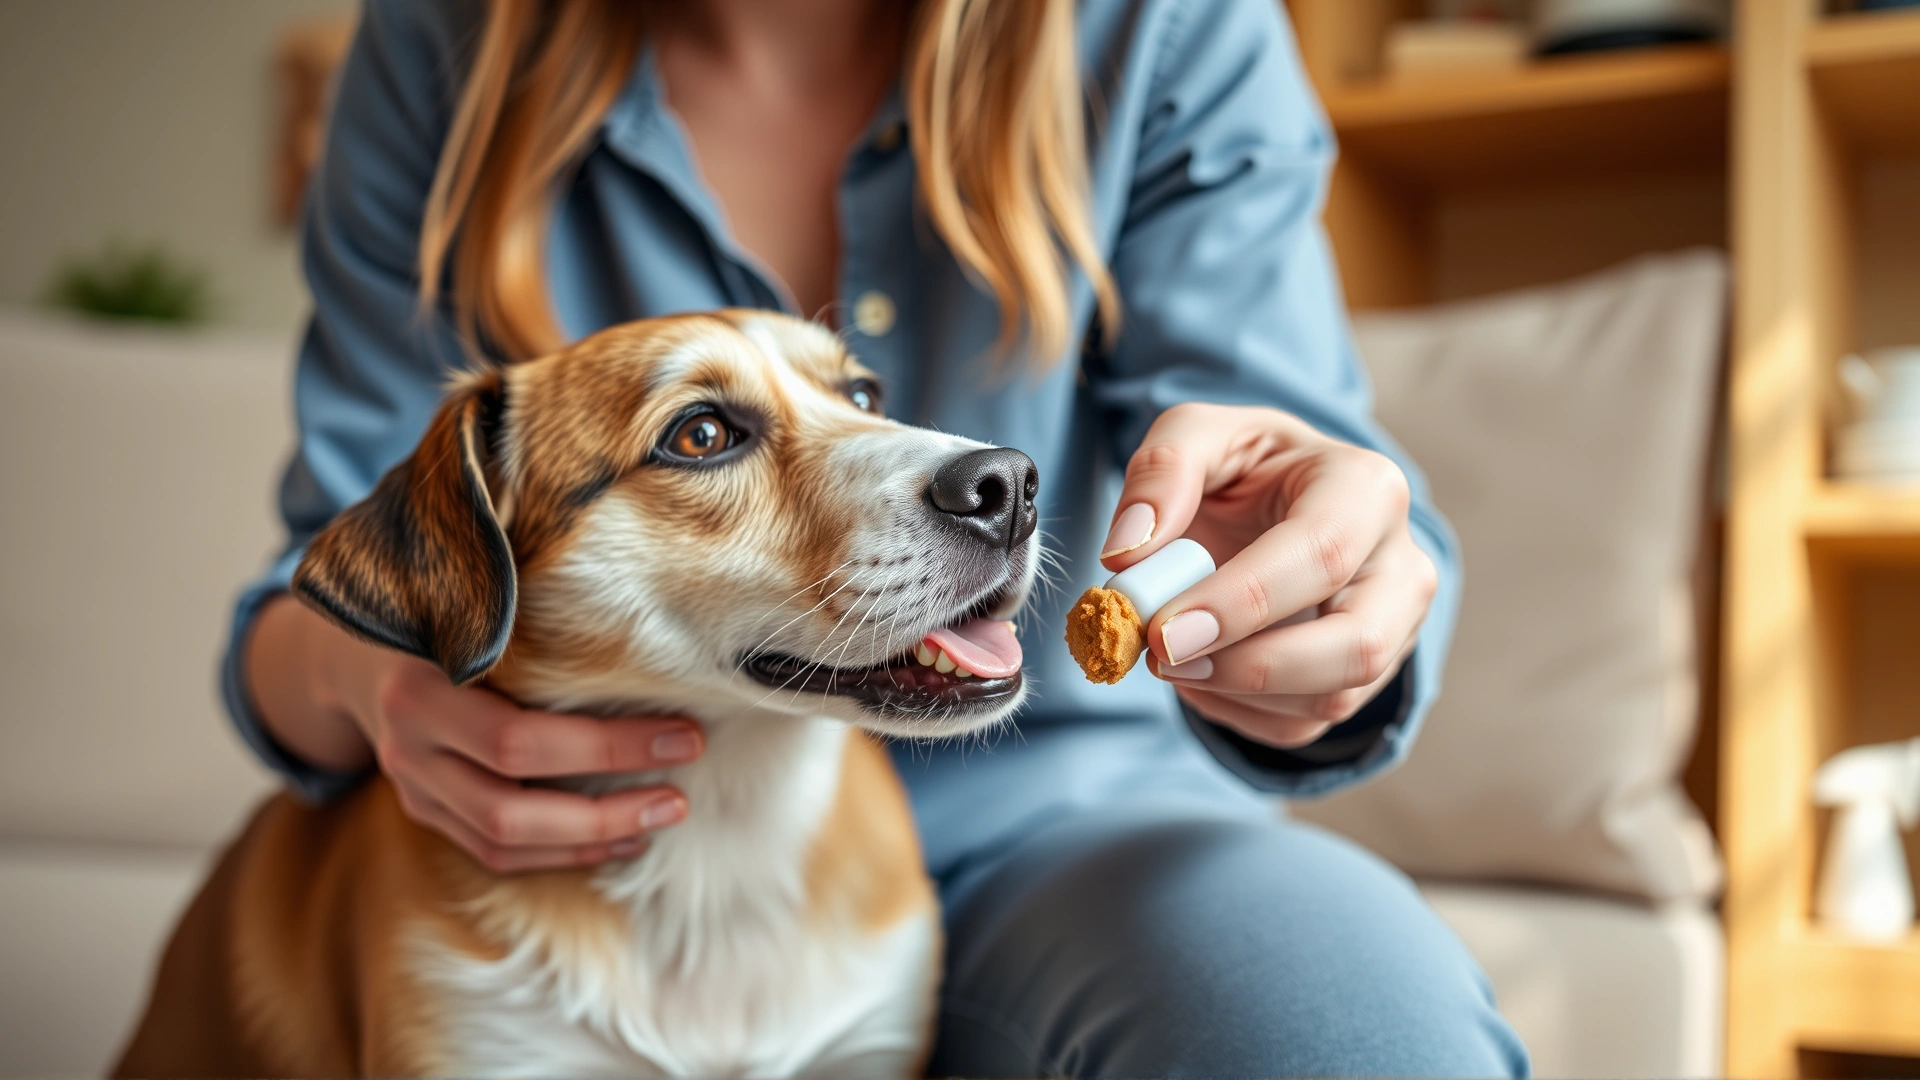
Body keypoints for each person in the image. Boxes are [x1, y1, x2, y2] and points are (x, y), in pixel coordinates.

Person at [229, 0, 1529, 1075]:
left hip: (1079, 810)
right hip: (541, 845)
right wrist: (365, 671)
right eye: (704, 436)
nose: (958, 474)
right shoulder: (443, 42)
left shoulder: (1163, 24)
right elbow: (332, 569)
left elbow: (1281, 457)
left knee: (1357, 1037)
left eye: (850, 395)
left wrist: (1319, 591)